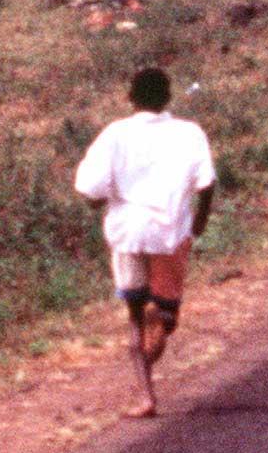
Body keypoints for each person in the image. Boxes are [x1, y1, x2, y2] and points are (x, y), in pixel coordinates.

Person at [75, 68, 217, 419]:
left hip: (128, 232)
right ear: (168, 98)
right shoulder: (189, 132)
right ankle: (163, 315)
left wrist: (103, 202)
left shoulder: (114, 134)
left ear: (130, 98)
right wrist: (200, 220)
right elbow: (207, 183)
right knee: (167, 317)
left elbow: (90, 190)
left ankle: (146, 397)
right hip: (169, 233)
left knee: (134, 317)